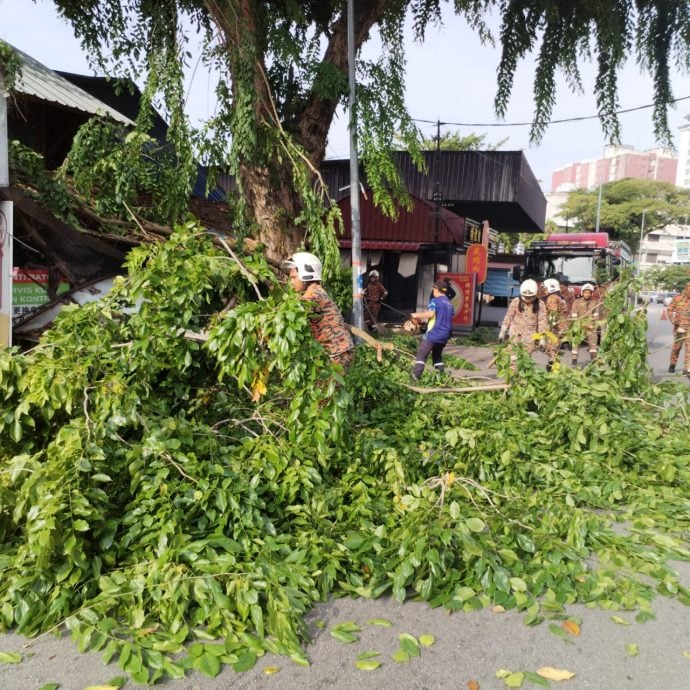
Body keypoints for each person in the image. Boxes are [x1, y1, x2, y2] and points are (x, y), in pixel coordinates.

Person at [281, 252, 355, 370]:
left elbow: (292, 313)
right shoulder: (315, 291)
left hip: (337, 353)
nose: (291, 282)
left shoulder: (314, 294)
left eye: (294, 277)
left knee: (327, 387)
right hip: (335, 351)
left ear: (306, 274)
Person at [410, 279, 455, 380]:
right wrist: (423, 322)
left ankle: (415, 377)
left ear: (436, 289)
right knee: (437, 355)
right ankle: (441, 378)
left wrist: (416, 315)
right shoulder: (449, 304)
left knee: (422, 354)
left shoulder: (435, 301)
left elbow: (431, 314)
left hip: (434, 334)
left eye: (433, 289)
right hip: (445, 335)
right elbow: (440, 318)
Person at [498, 279, 547, 365]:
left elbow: (542, 322)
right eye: (525, 297)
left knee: (525, 361)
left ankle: (522, 378)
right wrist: (502, 331)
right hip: (515, 335)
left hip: (530, 337)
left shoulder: (540, 304)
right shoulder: (516, 302)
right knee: (513, 359)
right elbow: (508, 317)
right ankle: (513, 376)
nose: (527, 299)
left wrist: (542, 339)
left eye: (530, 297)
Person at [570, 282, 601, 365]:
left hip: (590, 326)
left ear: (591, 293)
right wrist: (580, 324)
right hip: (579, 326)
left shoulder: (595, 303)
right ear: (582, 292)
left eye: (589, 293)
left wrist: (593, 324)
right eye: (585, 292)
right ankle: (574, 360)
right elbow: (574, 316)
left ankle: (593, 359)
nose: (587, 294)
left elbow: (596, 316)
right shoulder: (576, 302)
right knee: (576, 342)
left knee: (593, 341)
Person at [542, 278, 566, 369]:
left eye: (545, 288)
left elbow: (553, 314)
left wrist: (549, 327)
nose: (544, 291)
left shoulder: (552, 298)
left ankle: (553, 367)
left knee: (550, 348)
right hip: (561, 327)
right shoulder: (559, 297)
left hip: (555, 327)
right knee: (553, 349)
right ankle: (553, 365)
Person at [667, 282, 690, 375]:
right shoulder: (678, 299)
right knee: (676, 348)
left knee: (689, 350)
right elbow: (669, 309)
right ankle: (672, 364)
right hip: (679, 329)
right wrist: (673, 320)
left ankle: (687, 369)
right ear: (686, 289)